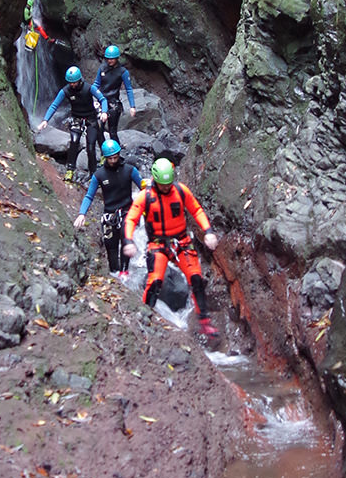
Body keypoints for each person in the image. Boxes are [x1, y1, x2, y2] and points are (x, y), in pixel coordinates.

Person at [123, 158, 220, 338]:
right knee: (155, 281)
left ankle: (204, 322)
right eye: (162, 184)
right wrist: (129, 241)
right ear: (155, 181)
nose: (166, 188)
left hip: (181, 242)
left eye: (168, 184)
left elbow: (196, 210)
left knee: (196, 279)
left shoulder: (181, 191)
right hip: (158, 245)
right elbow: (131, 218)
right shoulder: (146, 196)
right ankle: (145, 318)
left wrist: (208, 231)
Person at [74, 139, 144, 278]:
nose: (113, 160)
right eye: (110, 158)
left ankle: (124, 272)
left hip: (127, 212)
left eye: (115, 157)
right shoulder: (99, 175)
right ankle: (114, 273)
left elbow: (143, 188)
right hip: (109, 215)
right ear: (105, 158)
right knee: (111, 247)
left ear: (119, 154)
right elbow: (89, 196)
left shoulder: (130, 170)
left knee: (126, 239)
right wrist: (82, 214)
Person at [37, 66, 108, 181]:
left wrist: (104, 112)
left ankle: (93, 173)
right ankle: (70, 170)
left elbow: (103, 99)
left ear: (79, 80)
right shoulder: (65, 91)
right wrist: (45, 120)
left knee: (90, 146)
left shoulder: (89, 88)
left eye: (74, 82)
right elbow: (55, 105)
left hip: (91, 118)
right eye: (70, 82)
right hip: (76, 118)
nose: (72, 85)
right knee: (74, 142)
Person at [93, 45, 136, 143]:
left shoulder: (122, 72)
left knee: (112, 131)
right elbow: (96, 84)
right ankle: (105, 151)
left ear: (117, 58)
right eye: (108, 59)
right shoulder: (102, 68)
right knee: (99, 129)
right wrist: (91, 93)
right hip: (101, 101)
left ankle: (116, 153)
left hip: (113, 103)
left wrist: (132, 106)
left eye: (112, 59)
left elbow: (129, 89)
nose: (109, 61)